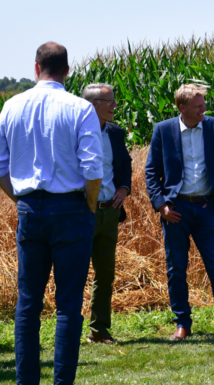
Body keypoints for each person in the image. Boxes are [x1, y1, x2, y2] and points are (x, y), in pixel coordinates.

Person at [0, 42, 104, 385]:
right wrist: (90, 204)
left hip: (30, 207)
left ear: (36, 68)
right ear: (67, 71)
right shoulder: (80, 108)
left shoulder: (12, 106)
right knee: (68, 304)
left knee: (28, 303)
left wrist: (19, 199)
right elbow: (93, 168)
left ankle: (27, 381)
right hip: (71, 206)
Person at [145, 83, 214, 341]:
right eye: (199, 106)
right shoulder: (163, 130)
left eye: (204, 105)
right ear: (182, 107)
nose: (204, 110)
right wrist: (161, 205)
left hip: (207, 208)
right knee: (176, 269)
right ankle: (182, 324)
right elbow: (152, 172)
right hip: (176, 210)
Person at [81, 83, 132, 344]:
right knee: (75, 272)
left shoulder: (114, 133)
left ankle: (99, 330)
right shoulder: (75, 133)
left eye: (113, 100)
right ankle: (68, 328)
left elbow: (125, 163)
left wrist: (124, 188)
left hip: (109, 213)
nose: (114, 106)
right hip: (81, 214)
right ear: (91, 105)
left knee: (105, 274)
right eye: (108, 101)